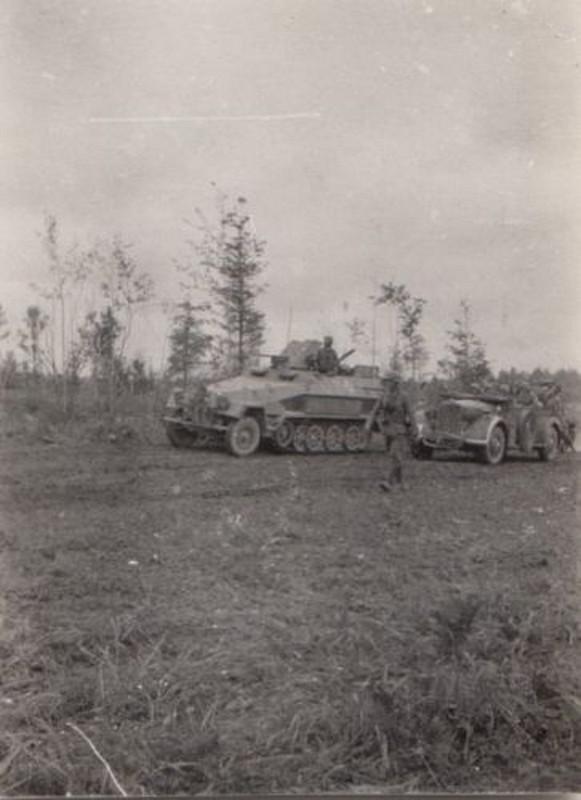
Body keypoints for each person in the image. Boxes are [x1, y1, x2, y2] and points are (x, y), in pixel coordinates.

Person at [377, 374, 416, 492]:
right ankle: (402, 484)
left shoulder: (404, 397)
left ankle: (388, 482)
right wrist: (377, 422)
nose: (387, 384)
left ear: (396, 383)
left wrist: (414, 428)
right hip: (388, 431)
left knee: (396, 456)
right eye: (386, 381)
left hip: (400, 431)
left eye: (390, 381)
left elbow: (410, 413)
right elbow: (377, 411)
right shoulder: (384, 396)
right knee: (395, 457)